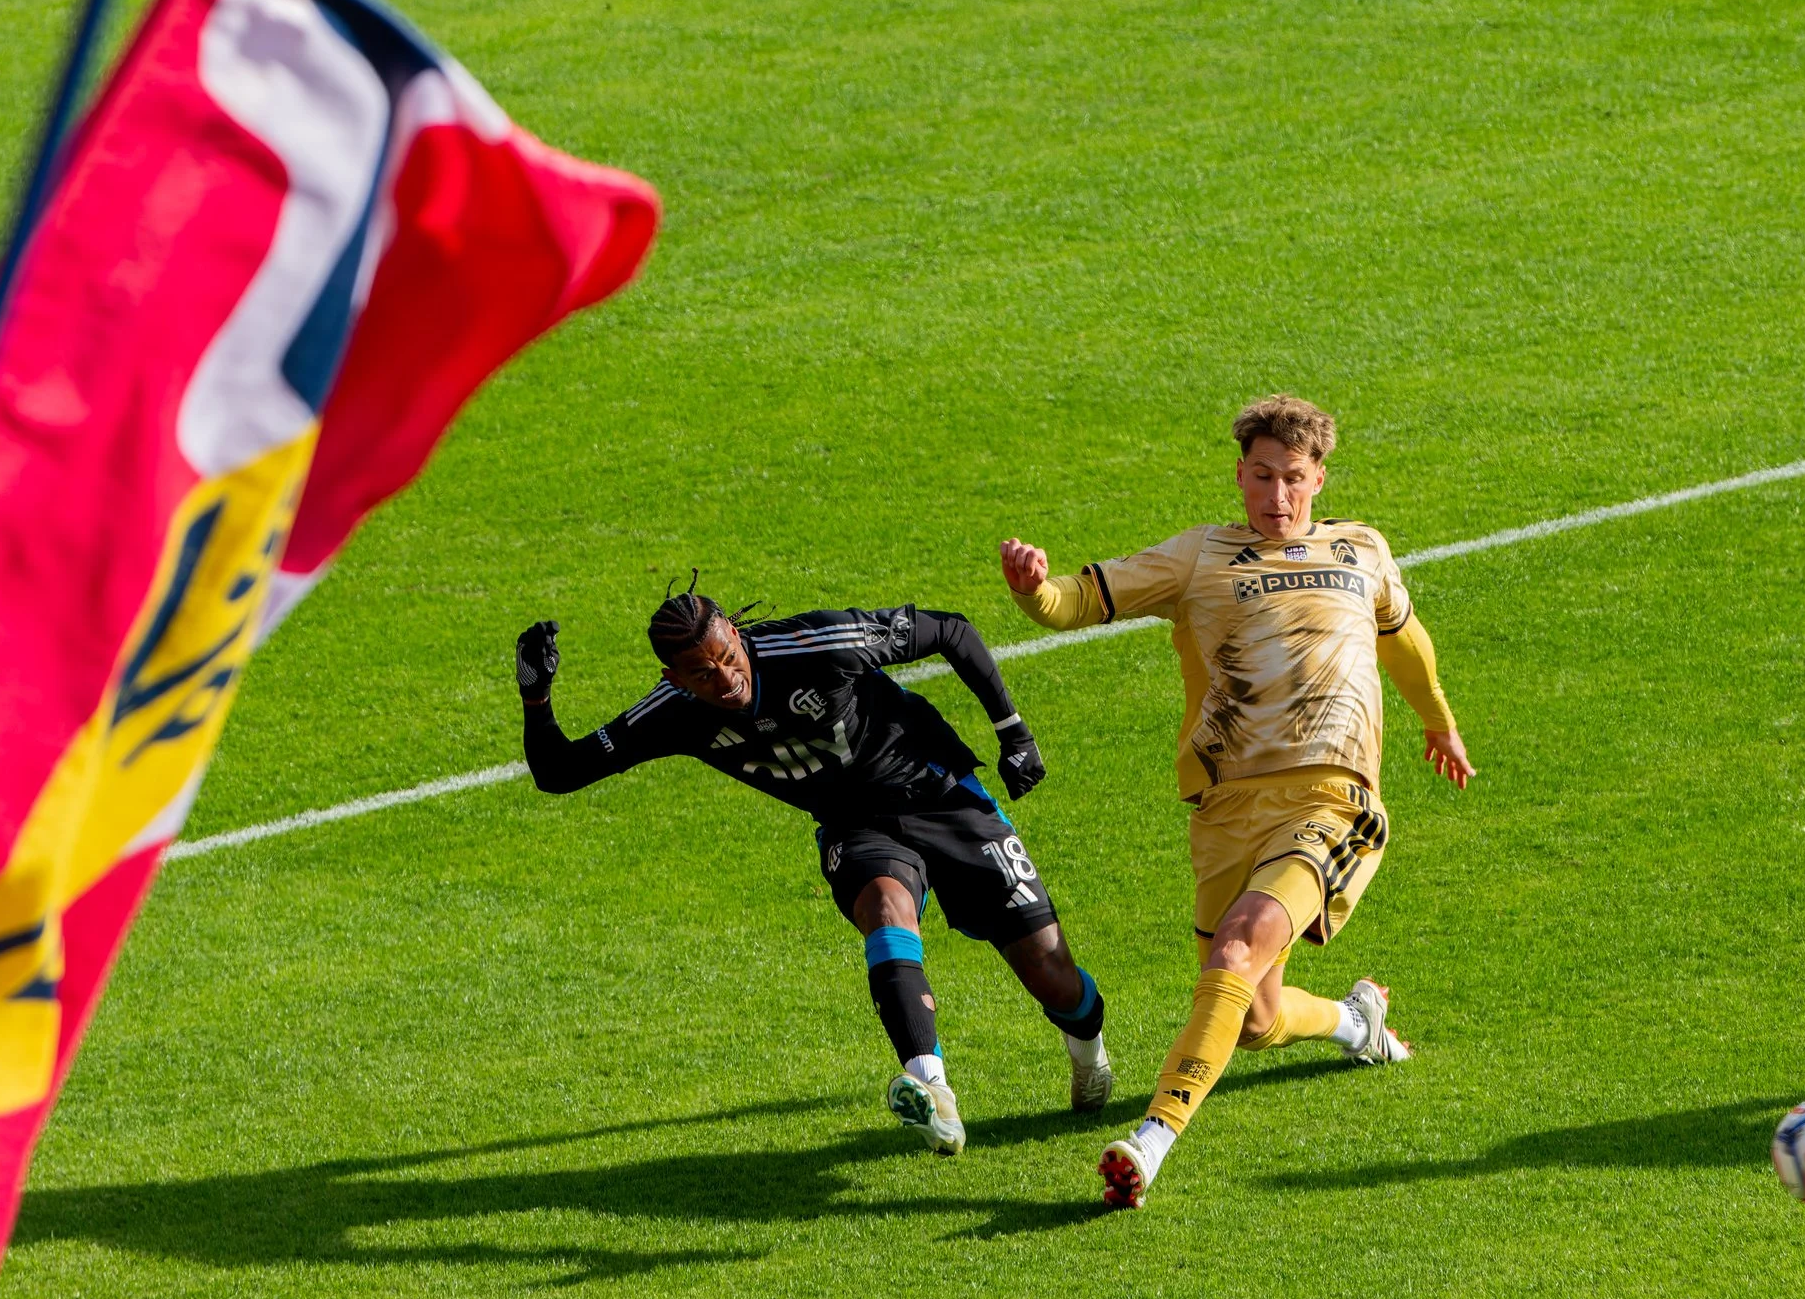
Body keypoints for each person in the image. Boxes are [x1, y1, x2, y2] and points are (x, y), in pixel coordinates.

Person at [998, 394, 1474, 1207]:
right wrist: (1033, 589)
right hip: (1224, 813)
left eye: (1293, 478)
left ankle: (1149, 1143)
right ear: (1240, 475)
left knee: (1236, 950)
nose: (1277, 497)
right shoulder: (1200, 558)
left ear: (1319, 477)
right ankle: (1355, 1023)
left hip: (1331, 800)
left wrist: (1441, 723)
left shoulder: (1363, 550)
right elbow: (1078, 601)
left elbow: (1405, 637)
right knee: (1251, 1017)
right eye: (1262, 477)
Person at [513, 581, 1112, 1154]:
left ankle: (1088, 1053)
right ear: (674, 679)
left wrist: (1014, 734)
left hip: (939, 794)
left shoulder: (819, 645)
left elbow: (951, 632)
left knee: (1048, 968)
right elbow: (560, 772)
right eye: (702, 673)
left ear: (737, 637)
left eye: (728, 658)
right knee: (885, 910)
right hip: (855, 826)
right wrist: (536, 697)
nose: (726, 680)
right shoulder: (673, 712)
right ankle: (936, 1093)